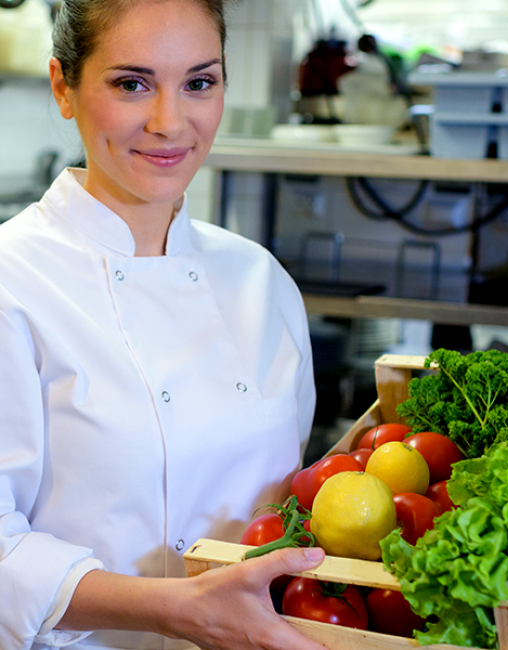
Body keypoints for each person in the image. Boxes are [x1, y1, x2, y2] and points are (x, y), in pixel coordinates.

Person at [0, 0, 327, 649]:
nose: (170, 122)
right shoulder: (13, 282)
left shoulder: (260, 282)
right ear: (63, 86)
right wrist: (179, 610)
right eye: (132, 84)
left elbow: (288, 508)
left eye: (199, 83)